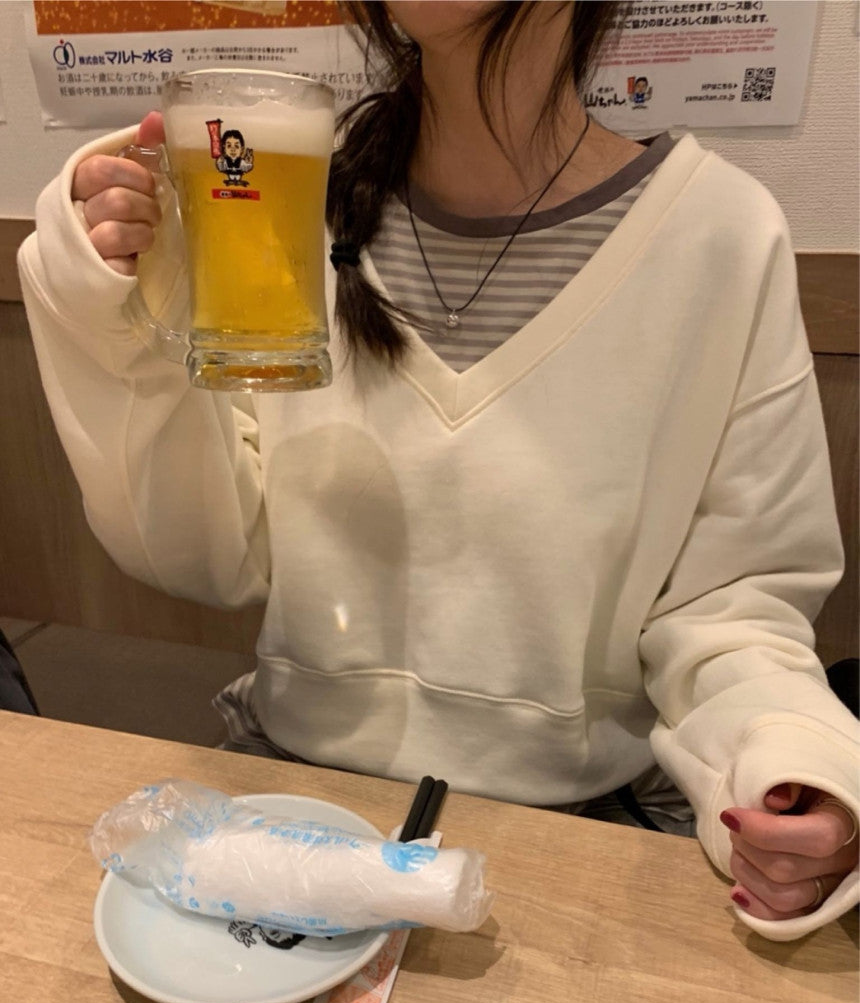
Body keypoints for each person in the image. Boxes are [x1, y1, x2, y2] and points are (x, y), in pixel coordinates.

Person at [17, 1, 858, 941]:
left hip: (583, 826)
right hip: (292, 798)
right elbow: (207, 559)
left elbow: (734, 609)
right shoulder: (272, 202)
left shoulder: (722, 234)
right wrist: (108, 310)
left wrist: (789, 760)